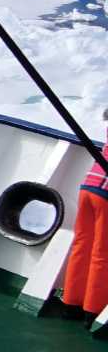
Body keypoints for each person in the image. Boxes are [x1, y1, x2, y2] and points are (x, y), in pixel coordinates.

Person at [61, 114, 108, 318]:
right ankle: (92, 310)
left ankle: (71, 304)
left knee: (82, 244)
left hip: (88, 186)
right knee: (102, 253)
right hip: (105, 194)